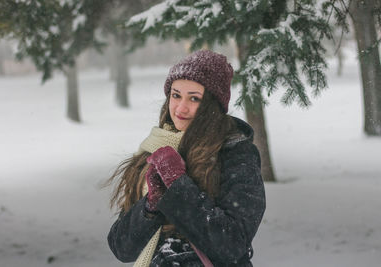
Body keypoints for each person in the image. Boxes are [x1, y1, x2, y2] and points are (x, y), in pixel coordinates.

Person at [106, 50, 266, 267]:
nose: (181, 108)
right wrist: (150, 207)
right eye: (176, 95)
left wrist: (177, 186)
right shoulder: (156, 147)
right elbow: (121, 248)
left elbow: (232, 243)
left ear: (212, 105)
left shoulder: (236, 152)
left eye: (194, 98)